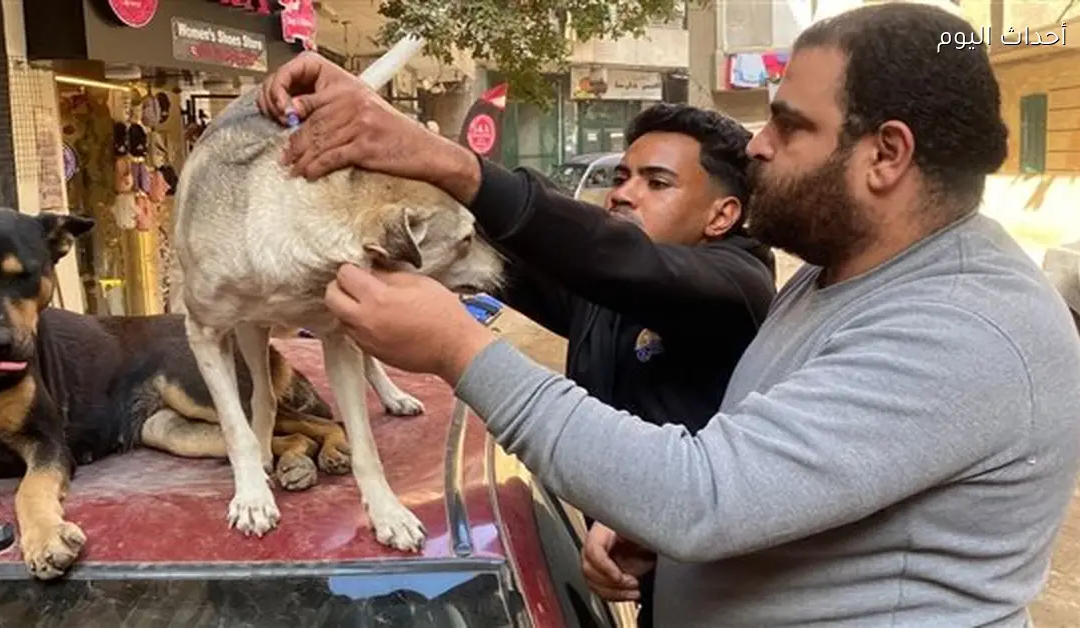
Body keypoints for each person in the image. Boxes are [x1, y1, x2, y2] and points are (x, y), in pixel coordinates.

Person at [267, 4, 1080, 625]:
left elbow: (703, 493)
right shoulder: (838, 280)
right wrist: (652, 535)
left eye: (788, 124)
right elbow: (774, 479)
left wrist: (461, 351)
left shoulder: (965, 328)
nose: (758, 144)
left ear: (887, 155)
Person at [262, 86, 776, 624]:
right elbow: (508, 251)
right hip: (656, 577)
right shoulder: (602, 296)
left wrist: (455, 166)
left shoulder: (737, 288)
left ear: (721, 216)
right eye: (621, 177)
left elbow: (621, 262)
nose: (624, 194)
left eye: (657, 182)